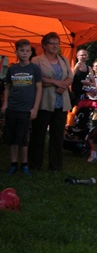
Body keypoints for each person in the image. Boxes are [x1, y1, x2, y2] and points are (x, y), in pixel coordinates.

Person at [28, 32, 73, 171]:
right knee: (38, 134)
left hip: (61, 103)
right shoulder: (36, 60)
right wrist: (56, 82)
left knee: (57, 136)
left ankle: (55, 166)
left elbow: (70, 76)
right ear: (44, 45)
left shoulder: (63, 59)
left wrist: (63, 85)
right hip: (44, 102)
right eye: (52, 43)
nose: (55, 46)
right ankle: (35, 165)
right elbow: (36, 78)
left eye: (57, 43)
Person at [1, 39, 42, 175]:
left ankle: (24, 164)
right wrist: (5, 104)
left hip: (26, 109)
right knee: (12, 138)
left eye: (27, 51)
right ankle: (13, 164)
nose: (25, 53)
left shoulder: (35, 69)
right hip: (12, 108)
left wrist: (35, 108)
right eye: (22, 51)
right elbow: (7, 88)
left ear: (31, 53)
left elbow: (39, 89)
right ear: (16, 52)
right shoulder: (12, 69)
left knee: (23, 139)